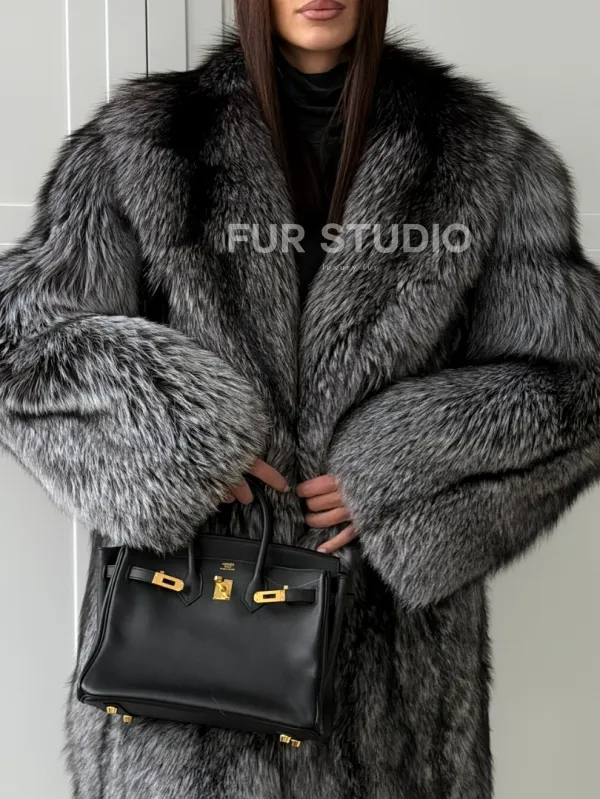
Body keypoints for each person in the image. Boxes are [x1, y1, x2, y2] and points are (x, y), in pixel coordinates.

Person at [1, 0, 599, 796]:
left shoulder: (487, 157)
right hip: (183, 695)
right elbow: (23, 341)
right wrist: (180, 440)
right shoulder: (144, 143)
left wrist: (403, 469)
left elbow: (576, 380)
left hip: (387, 700)